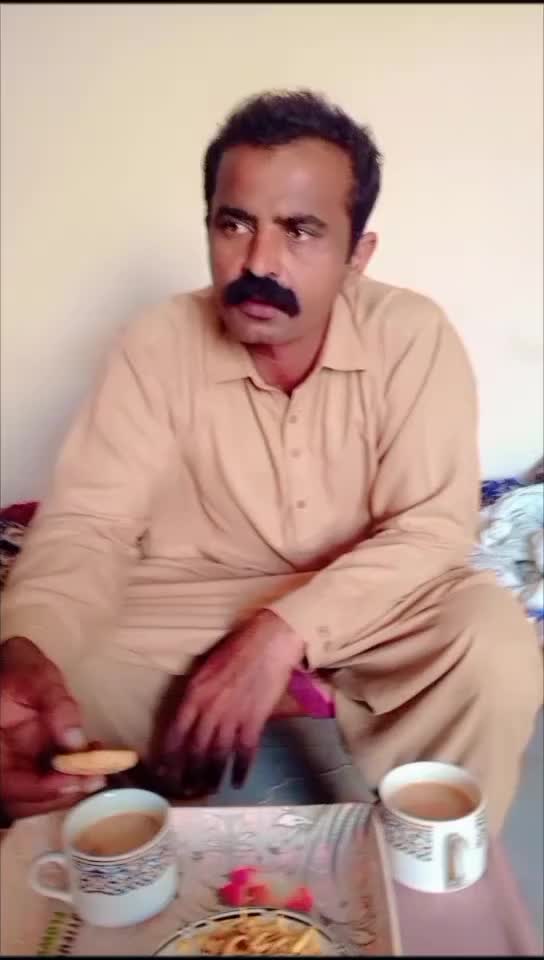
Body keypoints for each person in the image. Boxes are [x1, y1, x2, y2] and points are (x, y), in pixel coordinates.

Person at [1, 90, 541, 829]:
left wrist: (280, 634)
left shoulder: (411, 335)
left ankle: (434, 860)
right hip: (194, 600)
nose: (259, 262)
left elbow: (429, 529)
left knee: (493, 645)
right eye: (235, 224)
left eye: (300, 232)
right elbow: (89, 524)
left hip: (376, 595)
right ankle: (134, 859)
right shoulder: (156, 343)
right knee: (53, 689)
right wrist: (27, 646)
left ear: (357, 256)